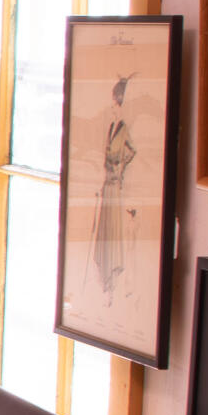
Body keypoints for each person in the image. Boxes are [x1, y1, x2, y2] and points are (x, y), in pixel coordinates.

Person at [92, 76, 136, 294]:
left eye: (115, 103)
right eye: (113, 103)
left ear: (121, 104)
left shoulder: (124, 129)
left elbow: (132, 152)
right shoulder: (110, 127)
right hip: (107, 184)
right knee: (104, 230)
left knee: (113, 230)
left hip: (115, 185)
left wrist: (121, 169)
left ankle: (112, 280)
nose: (113, 107)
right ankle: (103, 278)